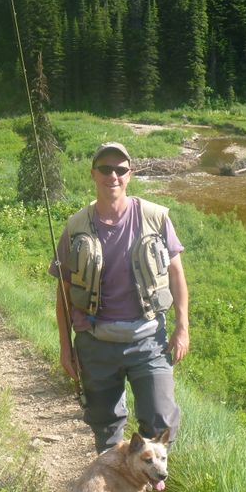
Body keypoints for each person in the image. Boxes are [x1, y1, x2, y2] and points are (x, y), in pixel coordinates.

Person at [49, 142, 189, 454]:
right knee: (105, 426)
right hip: (95, 342)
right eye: (105, 169)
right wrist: (65, 347)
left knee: (160, 421)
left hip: (149, 341)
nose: (113, 175)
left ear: (130, 175)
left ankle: (152, 484)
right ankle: (112, 489)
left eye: (120, 169)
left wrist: (182, 327)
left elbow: (177, 275)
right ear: (93, 174)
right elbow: (64, 292)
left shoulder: (155, 217)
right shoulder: (74, 227)